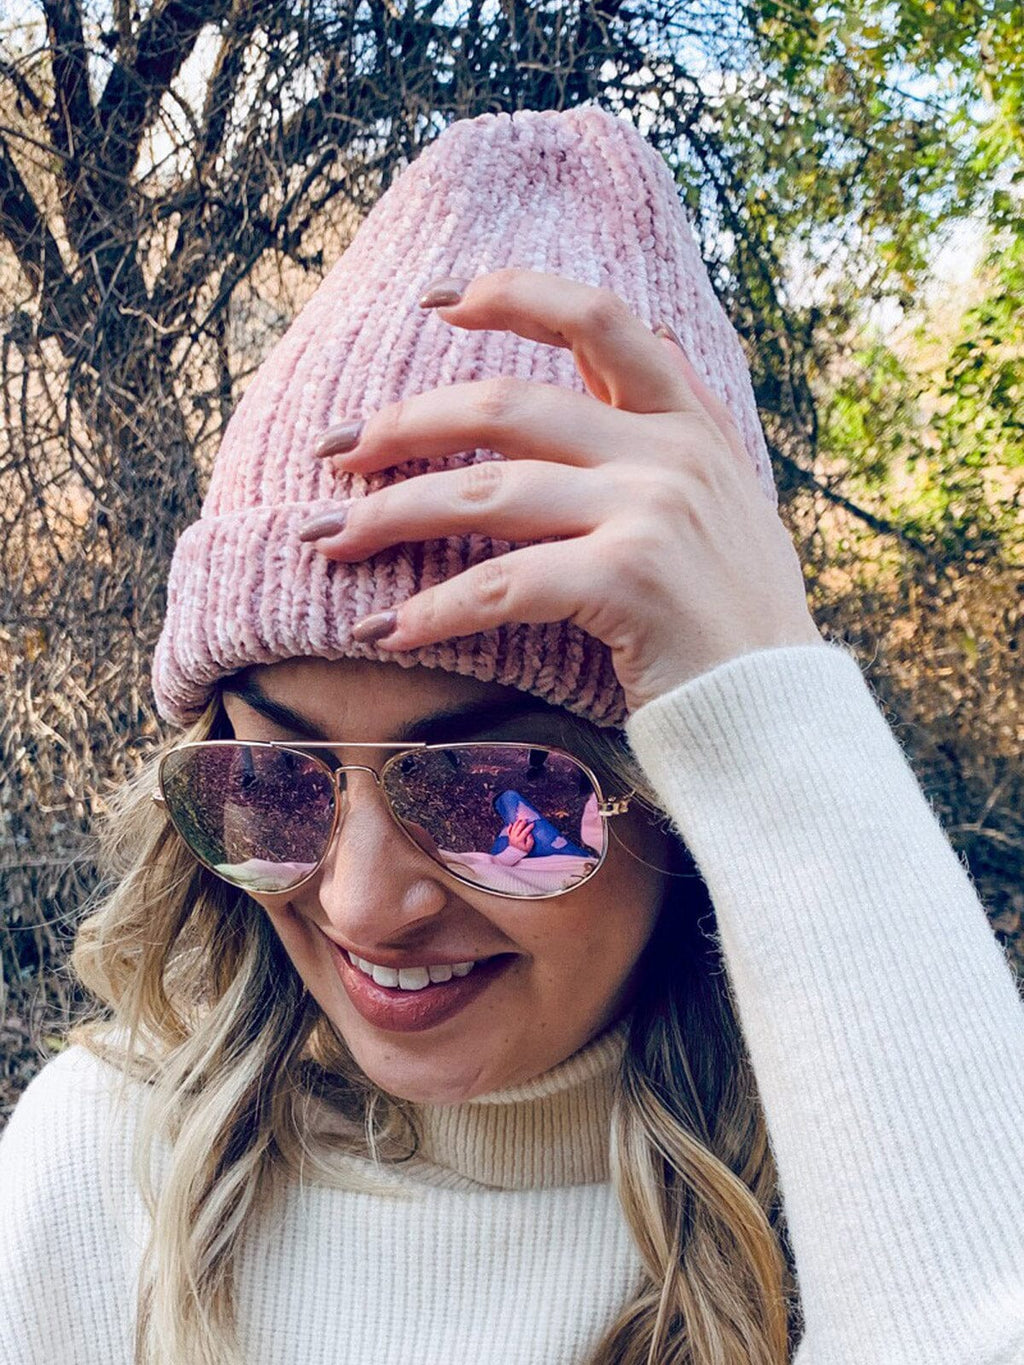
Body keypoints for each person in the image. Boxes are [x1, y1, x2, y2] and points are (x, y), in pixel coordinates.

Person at [1, 103, 1022, 1365]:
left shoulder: (877, 1208)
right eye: (274, 778)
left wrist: (768, 684)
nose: (362, 907)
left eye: (496, 793)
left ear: (689, 804)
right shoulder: (100, 1175)